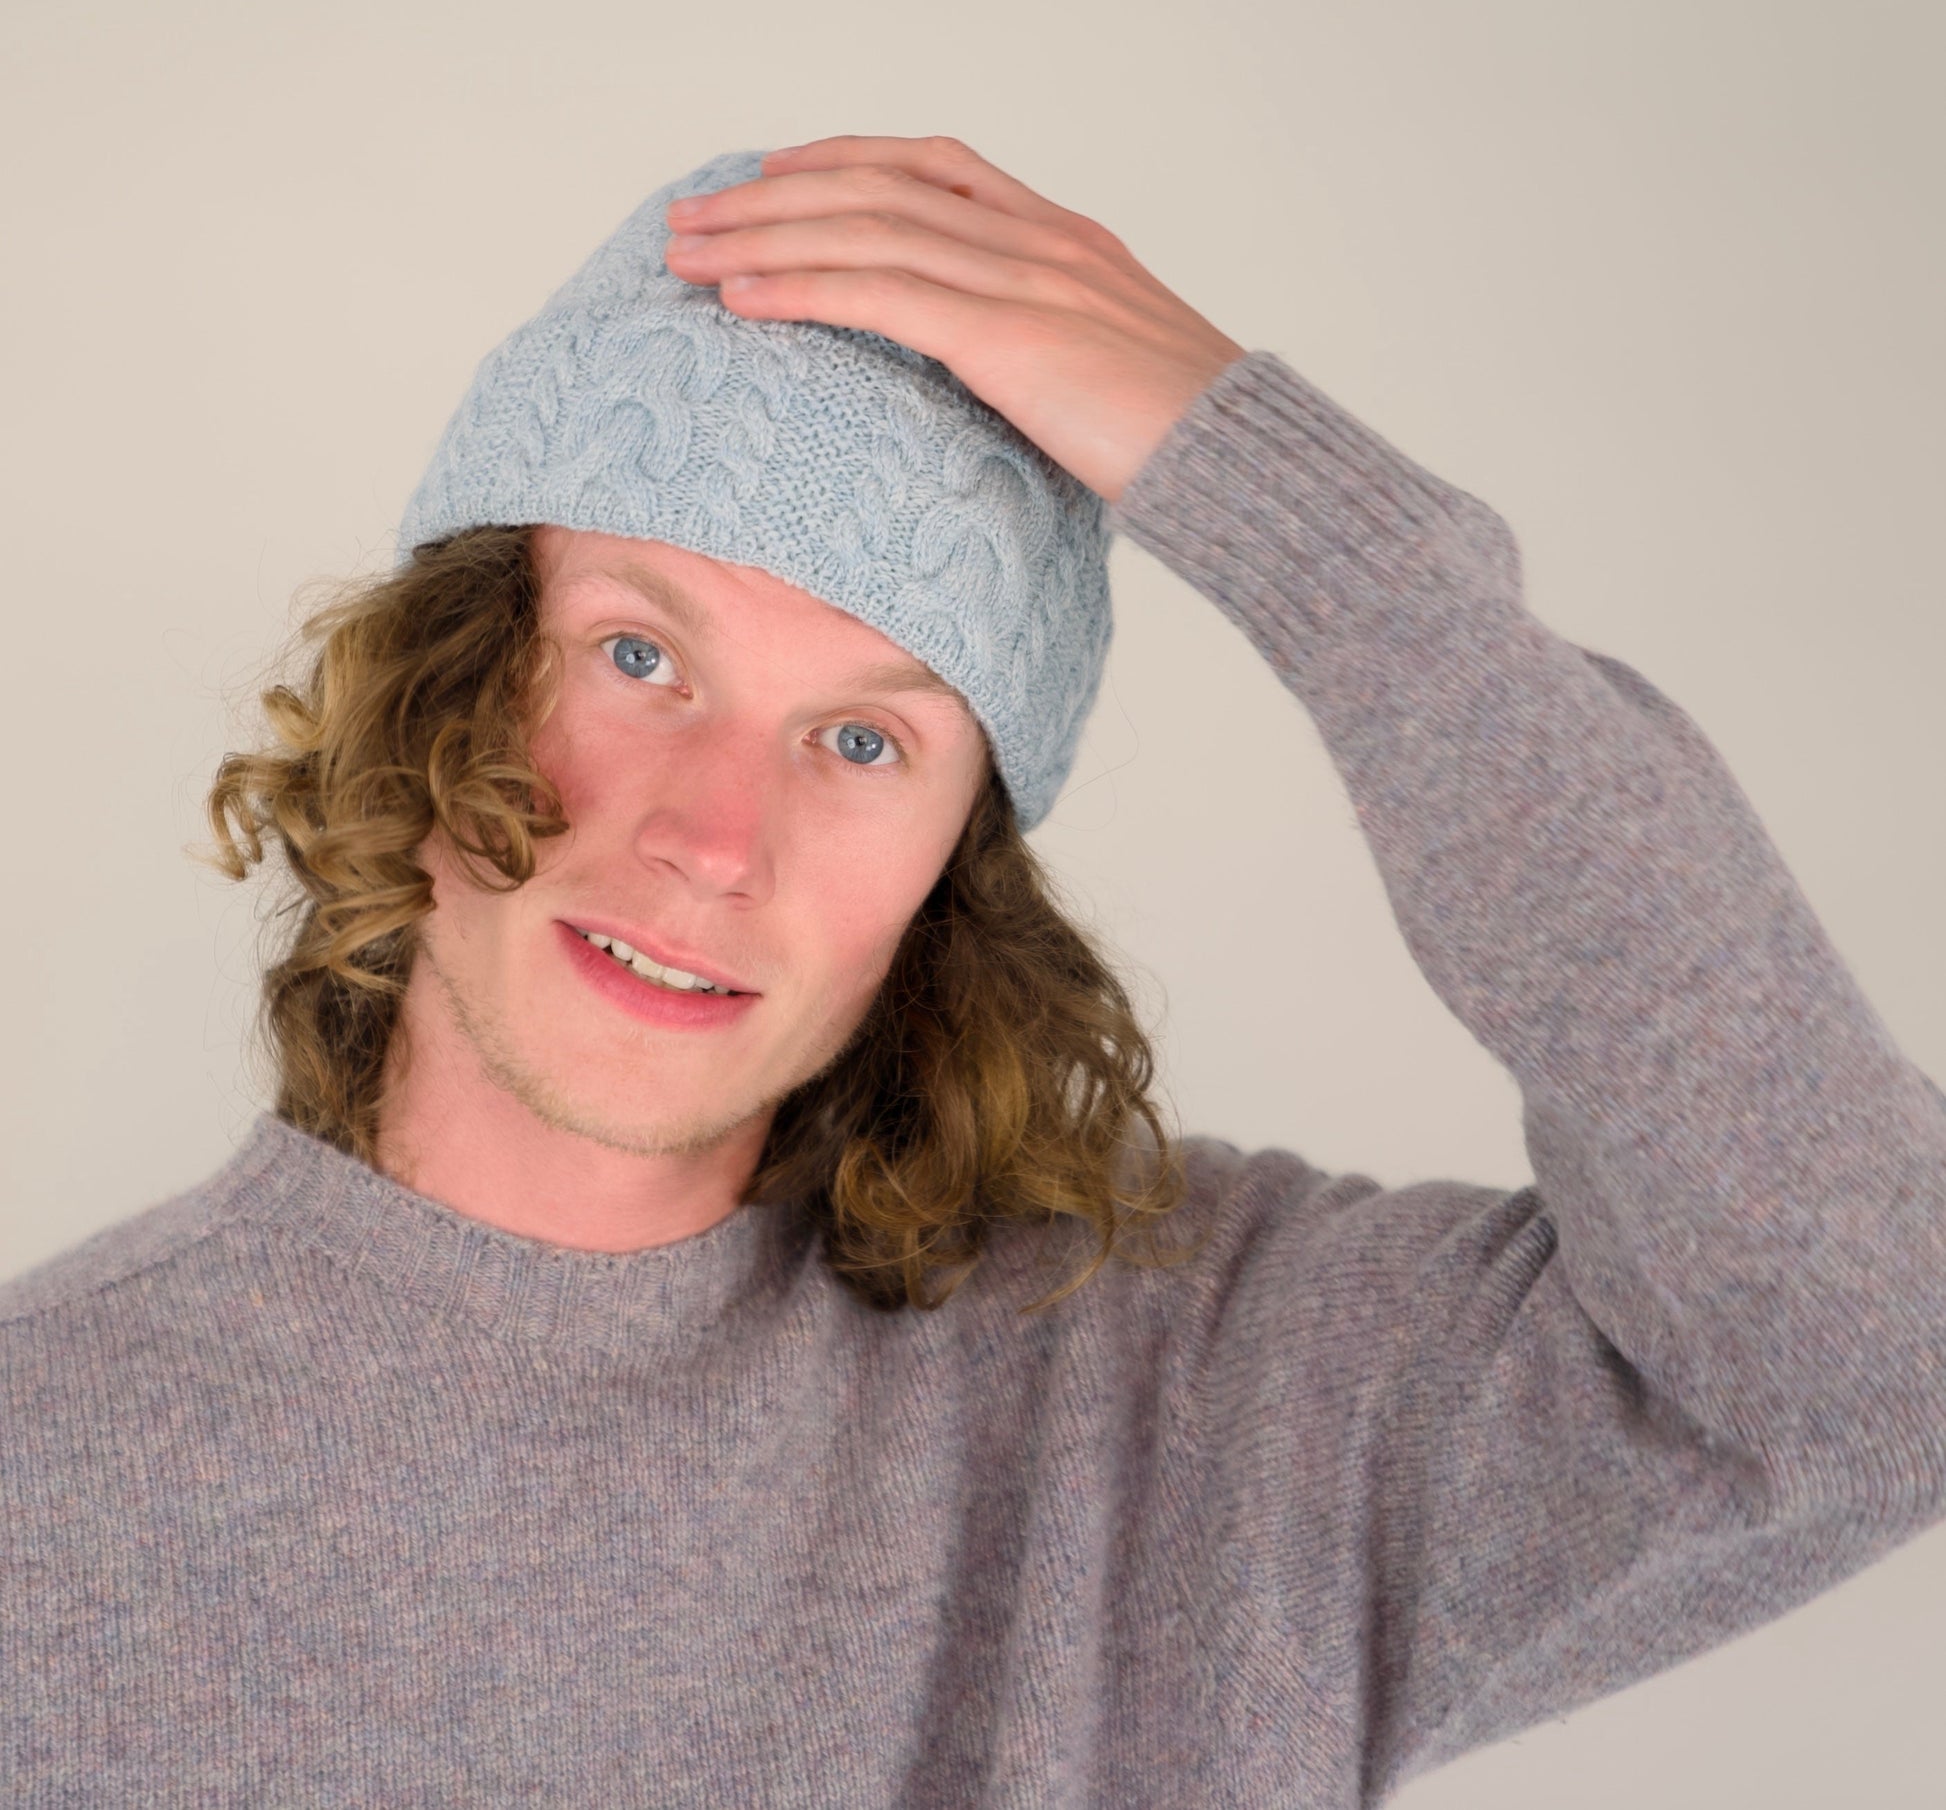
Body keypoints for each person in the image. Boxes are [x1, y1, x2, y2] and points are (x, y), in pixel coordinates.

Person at [3, 133, 1941, 1805]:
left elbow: (1872, 1351)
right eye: (637, 655)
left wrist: (1325, 549)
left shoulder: (1202, 1401)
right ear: (431, 685)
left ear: (951, 875)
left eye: (863, 739)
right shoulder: (50, 1481)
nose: (715, 838)